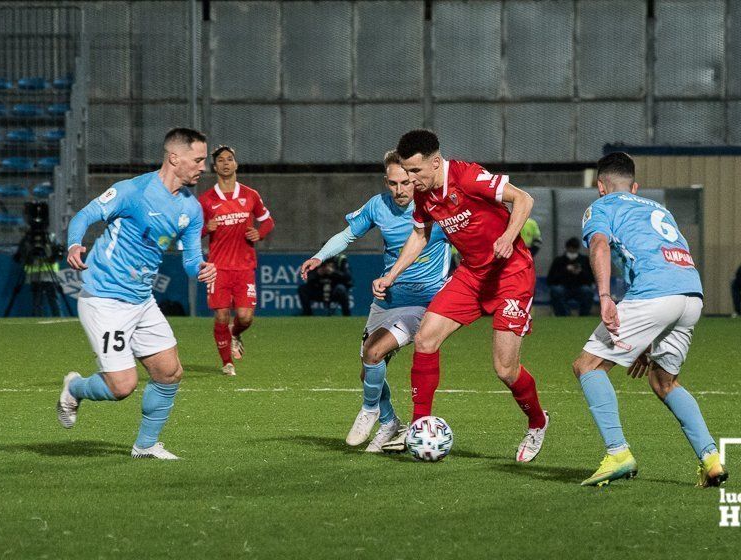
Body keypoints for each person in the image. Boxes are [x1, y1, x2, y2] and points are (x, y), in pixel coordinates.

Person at [373, 129, 549, 462]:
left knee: (505, 369)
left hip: (511, 276)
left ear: (435, 162)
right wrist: (392, 274)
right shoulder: (424, 195)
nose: (410, 180)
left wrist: (510, 236)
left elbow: (524, 199)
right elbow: (420, 235)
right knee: (425, 339)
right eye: (405, 173)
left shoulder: (468, 178)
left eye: (415, 172)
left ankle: (537, 422)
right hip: (471, 276)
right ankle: (420, 425)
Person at [57, 128, 217, 460]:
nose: (204, 167)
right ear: (175, 158)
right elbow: (85, 215)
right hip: (104, 299)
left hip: (141, 300)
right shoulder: (133, 191)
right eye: (199, 159)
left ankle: (145, 446)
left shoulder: (192, 208)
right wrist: (74, 243)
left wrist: (201, 268)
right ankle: (74, 387)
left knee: (169, 372)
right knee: (122, 387)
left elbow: (190, 259)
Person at [571, 152, 726, 487]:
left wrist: (604, 297)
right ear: (635, 186)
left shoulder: (602, 207)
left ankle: (618, 453)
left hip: (656, 294)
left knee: (588, 366)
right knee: (664, 382)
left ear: (600, 186)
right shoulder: (659, 209)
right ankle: (711, 459)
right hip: (690, 294)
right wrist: (644, 340)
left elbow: (598, 245)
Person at [300, 150, 450, 452]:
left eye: (406, 183)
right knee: (368, 367)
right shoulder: (378, 206)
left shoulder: (438, 206)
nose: (399, 190)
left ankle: (369, 411)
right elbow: (347, 235)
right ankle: (389, 422)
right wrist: (320, 256)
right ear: (386, 181)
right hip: (386, 299)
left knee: (373, 352)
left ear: (416, 178)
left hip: (424, 301)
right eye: (393, 184)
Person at [198, 145, 275, 377]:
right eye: (220, 160)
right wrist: (205, 228)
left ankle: (235, 332)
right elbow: (191, 233)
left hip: (244, 267)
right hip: (217, 267)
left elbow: (268, 221)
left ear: (236, 164)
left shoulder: (250, 195)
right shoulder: (206, 200)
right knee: (221, 314)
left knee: (245, 317)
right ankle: (227, 363)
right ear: (215, 167)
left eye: (229, 159)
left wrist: (259, 234)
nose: (225, 163)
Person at [547, 237, 595, 316]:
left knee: (587, 291)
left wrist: (580, 272)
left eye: (574, 248)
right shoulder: (559, 261)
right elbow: (550, 279)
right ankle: (563, 314)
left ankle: (584, 315)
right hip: (564, 288)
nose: (572, 251)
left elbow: (591, 279)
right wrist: (565, 271)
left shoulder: (584, 260)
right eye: (571, 248)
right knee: (556, 291)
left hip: (580, 288)